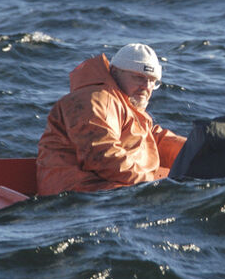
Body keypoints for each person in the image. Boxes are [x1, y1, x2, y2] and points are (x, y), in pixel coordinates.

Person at [36, 43, 186, 195]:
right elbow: (102, 155)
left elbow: (149, 138)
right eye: (139, 77)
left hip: (108, 190)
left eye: (153, 81)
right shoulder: (96, 99)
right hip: (82, 192)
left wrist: (194, 150)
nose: (146, 87)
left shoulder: (123, 103)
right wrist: (148, 184)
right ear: (114, 72)